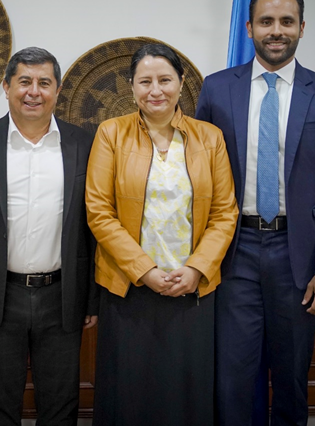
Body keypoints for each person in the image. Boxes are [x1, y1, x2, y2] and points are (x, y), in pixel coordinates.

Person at [195, 0, 315, 425]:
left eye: (287, 21)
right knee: (234, 377)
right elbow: (198, 178)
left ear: (302, 27)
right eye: (266, 21)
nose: (276, 30)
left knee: (290, 377)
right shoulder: (216, 89)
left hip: (297, 256)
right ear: (249, 28)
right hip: (235, 250)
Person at [85, 43, 238, 425]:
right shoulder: (111, 133)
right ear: (132, 87)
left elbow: (224, 213)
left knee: (186, 394)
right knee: (129, 394)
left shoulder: (210, 138)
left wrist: (197, 269)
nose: (156, 90)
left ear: (181, 83)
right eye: (145, 81)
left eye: (165, 80)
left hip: (192, 288)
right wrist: (145, 271)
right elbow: (99, 212)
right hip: (130, 286)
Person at [0, 47, 99, 425]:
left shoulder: (84, 144)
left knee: (61, 405)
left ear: (57, 90)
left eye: (44, 83)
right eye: (24, 82)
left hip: (62, 296)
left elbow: (94, 229)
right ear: (6, 86)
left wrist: (91, 299)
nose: (34, 91)